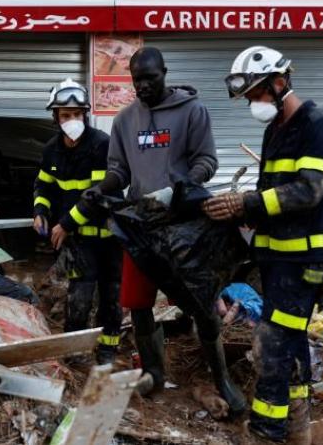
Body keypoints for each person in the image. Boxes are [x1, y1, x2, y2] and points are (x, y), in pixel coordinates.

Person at [86, 47, 246, 413]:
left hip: (185, 225)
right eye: (136, 80)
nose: (142, 86)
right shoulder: (124, 121)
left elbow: (207, 160)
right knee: (139, 303)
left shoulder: (192, 111)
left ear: (164, 73)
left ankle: (221, 377)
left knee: (202, 305)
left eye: (150, 78)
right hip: (142, 226)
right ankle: (155, 373)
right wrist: (102, 188)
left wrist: (181, 186)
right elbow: (119, 171)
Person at [203, 46, 323, 444]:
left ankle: (265, 434)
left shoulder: (317, 125)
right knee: (291, 347)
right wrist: (247, 212)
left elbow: (308, 190)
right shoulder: (275, 130)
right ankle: (298, 432)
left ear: (279, 82)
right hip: (277, 258)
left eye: (256, 94)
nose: (253, 103)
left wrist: (248, 202)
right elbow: (273, 194)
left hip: (304, 259)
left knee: (271, 345)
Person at [32, 78, 122, 364]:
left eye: (77, 114)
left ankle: (107, 350)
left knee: (110, 296)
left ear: (86, 113)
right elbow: (43, 186)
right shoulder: (51, 150)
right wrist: (40, 212)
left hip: (108, 237)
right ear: (55, 117)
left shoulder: (102, 145)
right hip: (79, 241)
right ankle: (75, 351)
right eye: (65, 115)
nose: (72, 120)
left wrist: (64, 224)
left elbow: (97, 197)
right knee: (79, 296)